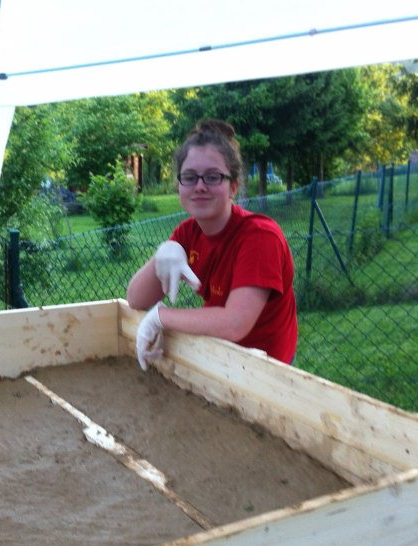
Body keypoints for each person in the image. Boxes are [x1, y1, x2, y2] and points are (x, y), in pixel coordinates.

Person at [127, 119, 298, 370]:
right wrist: (162, 253)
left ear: (233, 187)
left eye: (212, 177)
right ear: (179, 187)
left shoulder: (261, 237)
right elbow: (136, 299)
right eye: (189, 177)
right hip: (220, 356)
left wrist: (161, 317)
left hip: (268, 370)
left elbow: (234, 323)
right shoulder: (188, 233)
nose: (200, 186)